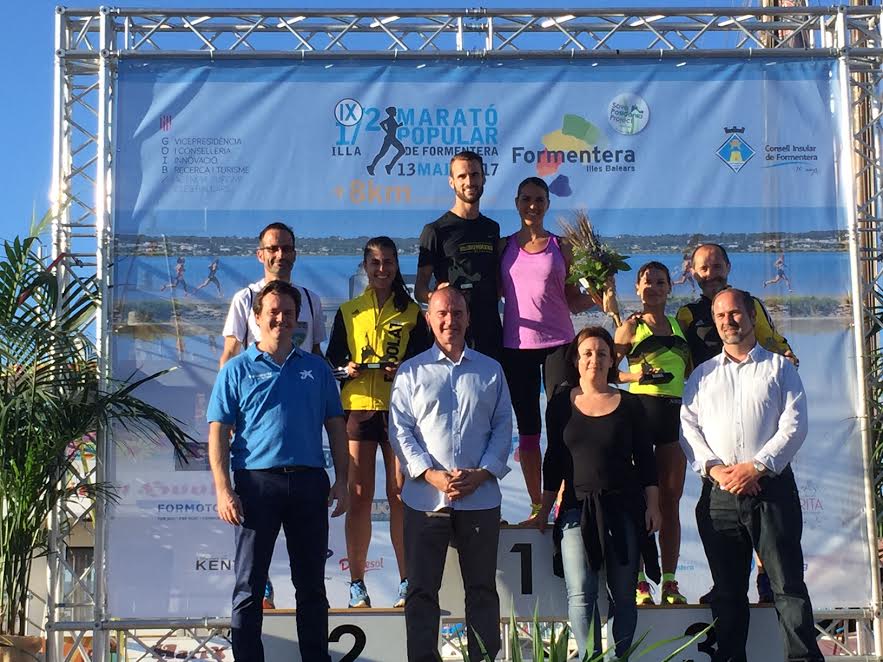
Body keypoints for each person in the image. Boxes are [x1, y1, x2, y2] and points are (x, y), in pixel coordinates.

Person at [206, 280, 349, 662]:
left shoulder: (317, 369)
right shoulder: (235, 370)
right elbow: (218, 431)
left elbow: (336, 426)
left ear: (298, 319)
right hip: (256, 484)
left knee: (312, 587)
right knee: (249, 588)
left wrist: (343, 480)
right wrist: (223, 489)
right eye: (273, 312)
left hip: (308, 482)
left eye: (288, 313)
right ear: (256, 317)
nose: (281, 319)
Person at [679, 288, 823, 662]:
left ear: (751, 316)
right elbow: (688, 429)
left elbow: (794, 425)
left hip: (770, 490)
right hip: (720, 495)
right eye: (720, 315)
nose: (728, 321)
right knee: (727, 593)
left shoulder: (780, 368)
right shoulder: (701, 376)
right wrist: (715, 468)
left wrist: (756, 466)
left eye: (735, 313)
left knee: (787, 586)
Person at [389, 287, 512, 662]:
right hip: (426, 499)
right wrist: (430, 474)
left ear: (468, 318)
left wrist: (483, 473)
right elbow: (400, 430)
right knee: (421, 592)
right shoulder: (411, 372)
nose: (450, 321)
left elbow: (503, 426)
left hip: (480, 498)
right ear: (429, 319)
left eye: (457, 313)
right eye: (442, 313)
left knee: (482, 591)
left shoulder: (491, 370)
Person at [528, 326, 661, 660]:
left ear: (612, 360)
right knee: (581, 595)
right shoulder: (560, 403)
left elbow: (646, 461)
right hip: (576, 511)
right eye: (587, 353)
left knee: (623, 595)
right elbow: (553, 460)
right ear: (576, 359)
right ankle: (591, 658)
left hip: (625, 510)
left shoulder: (630, 404)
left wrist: (653, 506)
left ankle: (618, 658)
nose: (594, 359)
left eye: (602, 353)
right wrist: (544, 509)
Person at [676, 242, 797, 603]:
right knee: (716, 510)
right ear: (693, 273)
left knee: (760, 500)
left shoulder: (749, 304)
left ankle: (766, 577)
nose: (710, 273)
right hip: (713, 413)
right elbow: (678, 356)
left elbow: (771, 339)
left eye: (716, 266)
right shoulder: (686, 314)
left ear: (728, 267)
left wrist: (786, 352)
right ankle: (724, 583)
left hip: (755, 411)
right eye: (703, 268)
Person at [325, 236, 431, 610]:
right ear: (365, 267)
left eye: (388, 262)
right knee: (358, 495)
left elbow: (423, 363)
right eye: (375, 263)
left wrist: (402, 369)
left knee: (400, 493)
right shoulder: (349, 310)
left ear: (396, 265)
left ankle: (407, 581)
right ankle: (357, 585)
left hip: (399, 410)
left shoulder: (412, 312)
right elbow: (333, 360)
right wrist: (346, 368)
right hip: (357, 408)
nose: (382, 269)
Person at [499, 176, 600, 516]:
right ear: (517, 203)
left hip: (559, 344)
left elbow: (573, 300)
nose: (533, 205)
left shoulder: (562, 246)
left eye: (539, 199)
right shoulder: (503, 248)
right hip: (517, 347)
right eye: (526, 199)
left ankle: (562, 501)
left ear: (548, 204)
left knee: (561, 426)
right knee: (528, 431)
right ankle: (536, 505)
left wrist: (600, 293)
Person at [615, 262, 690, 606]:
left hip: (673, 420)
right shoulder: (630, 327)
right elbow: (610, 373)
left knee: (670, 502)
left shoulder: (677, 325)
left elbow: (688, 372)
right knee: (640, 503)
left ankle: (670, 582)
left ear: (669, 287)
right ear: (637, 288)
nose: (654, 288)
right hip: (640, 418)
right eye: (647, 283)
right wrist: (639, 376)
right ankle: (641, 581)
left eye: (660, 282)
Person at [414, 150, 503, 360]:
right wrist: (436, 295)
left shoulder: (492, 228)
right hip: (453, 335)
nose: (469, 181)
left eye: (474, 175)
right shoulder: (435, 230)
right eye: (462, 176)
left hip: (490, 334)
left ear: (483, 179)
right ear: (451, 182)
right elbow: (419, 290)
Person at [220, 222, 324, 366]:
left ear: (294, 255)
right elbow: (230, 353)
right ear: (260, 255)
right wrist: (224, 380)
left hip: (301, 379)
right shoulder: (245, 298)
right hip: (259, 379)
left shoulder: (311, 299)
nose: (280, 255)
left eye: (286, 249)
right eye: (272, 249)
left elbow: (316, 352)